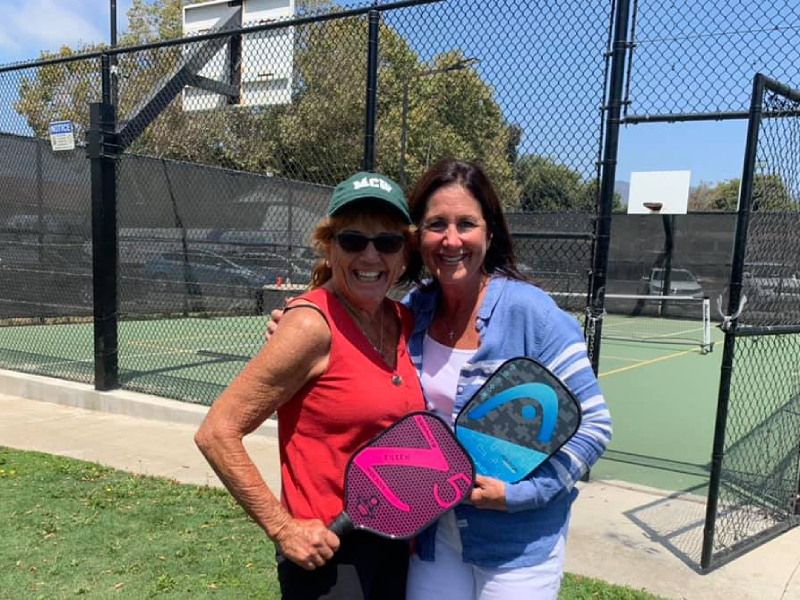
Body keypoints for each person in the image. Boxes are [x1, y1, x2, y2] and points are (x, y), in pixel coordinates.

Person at [268, 158, 612, 599]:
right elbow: (352, 328)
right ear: (418, 239)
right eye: (436, 225)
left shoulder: (532, 313)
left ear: (490, 233)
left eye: (466, 223)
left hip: (515, 543)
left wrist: (520, 494)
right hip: (431, 534)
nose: (451, 240)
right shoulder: (414, 311)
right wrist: (299, 324)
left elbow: (594, 424)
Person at [195, 171, 426, 600]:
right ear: (328, 246)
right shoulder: (308, 325)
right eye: (353, 240)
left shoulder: (404, 321)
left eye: (387, 242)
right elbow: (216, 432)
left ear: (404, 253)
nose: (370, 255)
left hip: (395, 545)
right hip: (331, 554)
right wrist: (283, 529)